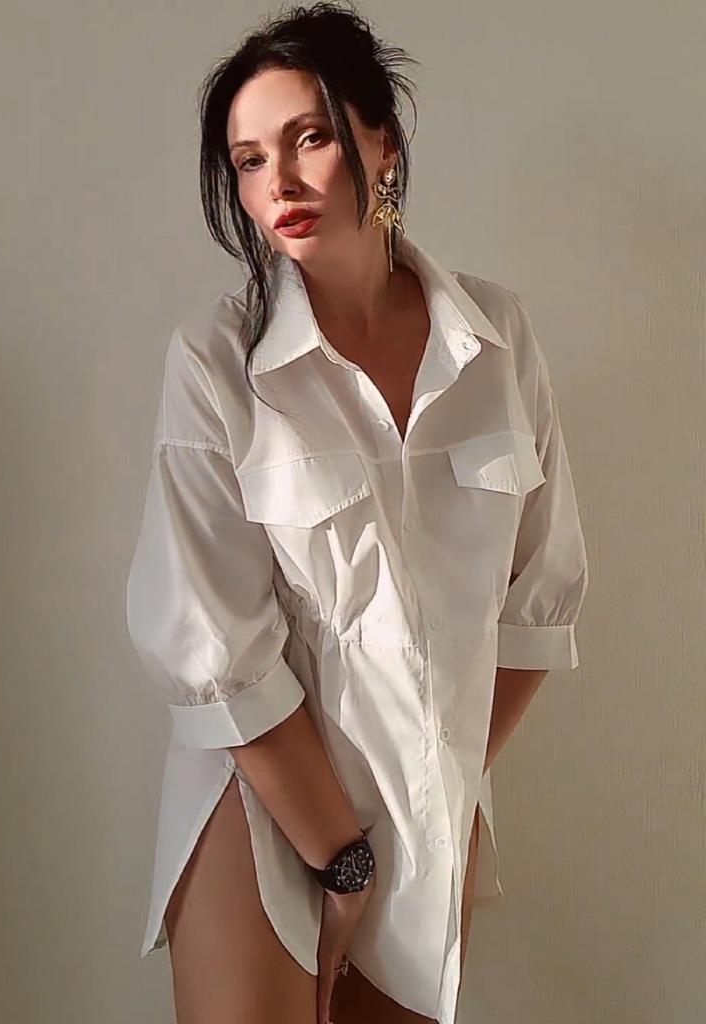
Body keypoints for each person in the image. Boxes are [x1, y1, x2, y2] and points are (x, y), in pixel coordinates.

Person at [124, 3, 589, 1022]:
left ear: (385, 141)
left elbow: (536, 606)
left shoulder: (499, 338)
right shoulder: (217, 363)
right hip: (265, 794)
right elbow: (215, 644)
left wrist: (434, 785)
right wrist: (342, 857)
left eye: (309, 138)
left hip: (430, 798)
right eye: (249, 160)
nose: (278, 183)